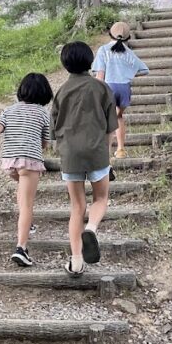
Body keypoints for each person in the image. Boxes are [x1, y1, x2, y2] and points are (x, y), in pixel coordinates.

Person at [51, 42, 118, 276]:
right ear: (90, 61)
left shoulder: (61, 91)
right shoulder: (101, 88)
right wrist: (107, 153)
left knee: (76, 206)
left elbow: (53, 128)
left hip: (70, 154)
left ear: (65, 64)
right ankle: (91, 228)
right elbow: (111, 127)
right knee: (100, 198)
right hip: (97, 152)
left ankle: (77, 261)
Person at [0, 72, 53, 267]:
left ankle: (28, 225)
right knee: (28, 204)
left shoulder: (9, 110)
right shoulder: (42, 113)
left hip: (10, 161)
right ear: (44, 93)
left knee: (21, 190)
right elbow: (46, 141)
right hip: (30, 161)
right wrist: (41, 146)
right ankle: (21, 248)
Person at [92, 21, 149, 159]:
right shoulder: (129, 52)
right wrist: (128, 74)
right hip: (124, 88)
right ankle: (121, 149)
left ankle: (105, 152)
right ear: (128, 38)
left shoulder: (104, 50)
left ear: (110, 34)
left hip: (108, 86)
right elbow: (144, 70)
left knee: (106, 119)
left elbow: (100, 75)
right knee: (118, 117)